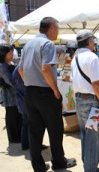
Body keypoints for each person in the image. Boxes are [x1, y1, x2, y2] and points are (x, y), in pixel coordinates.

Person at [19, 17, 76, 171]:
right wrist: (55, 90)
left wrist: (29, 84)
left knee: (35, 131)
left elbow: (20, 69)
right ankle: (58, 162)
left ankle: (38, 165)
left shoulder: (29, 44)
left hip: (30, 92)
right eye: (57, 28)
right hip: (46, 92)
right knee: (55, 129)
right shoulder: (47, 44)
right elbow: (45, 69)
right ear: (51, 28)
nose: (57, 31)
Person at [71, 29, 99, 172]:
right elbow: (96, 83)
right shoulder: (92, 57)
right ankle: (90, 169)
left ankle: (88, 165)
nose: (94, 43)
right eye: (93, 41)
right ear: (89, 42)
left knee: (85, 135)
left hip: (80, 99)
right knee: (95, 138)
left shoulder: (75, 57)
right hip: (92, 101)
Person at [0, 44, 22, 144]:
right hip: (9, 96)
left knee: (16, 116)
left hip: (14, 96)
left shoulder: (7, 64)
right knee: (12, 117)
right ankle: (13, 138)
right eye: (10, 53)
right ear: (4, 54)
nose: (12, 54)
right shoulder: (2, 66)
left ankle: (17, 136)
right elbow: (10, 81)